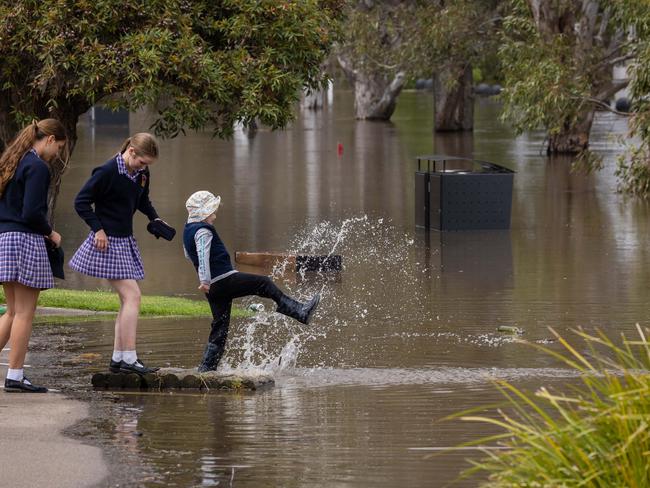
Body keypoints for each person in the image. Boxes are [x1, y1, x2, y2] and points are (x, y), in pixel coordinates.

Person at [183, 191, 320, 372]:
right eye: (211, 212)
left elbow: (188, 255)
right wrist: (205, 280)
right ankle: (297, 310)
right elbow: (202, 254)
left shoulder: (187, 231)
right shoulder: (202, 231)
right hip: (222, 280)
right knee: (264, 282)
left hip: (213, 288)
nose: (214, 216)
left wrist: (207, 282)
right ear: (202, 213)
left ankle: (207, 369)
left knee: (220, 328)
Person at [70, 133, 170, 375]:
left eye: (147, 165)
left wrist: (154, 217)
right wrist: (98, 229)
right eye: (142, 162)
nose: (144, 168)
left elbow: (142, 200)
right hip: (107, 242)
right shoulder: (106, 171)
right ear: (132, 152)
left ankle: (118, 358)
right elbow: (81, 202)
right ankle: (129, 358)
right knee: (133, 296)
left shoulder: (142, 174)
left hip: (125, 240)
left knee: (127, 300)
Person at [0, 119, 66, 393]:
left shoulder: (12, 161)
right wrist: (50, 233)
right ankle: (15, 376)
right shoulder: (37, 166)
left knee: (13, 311)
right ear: (49, 139)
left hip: (4, 238)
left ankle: (15, 374)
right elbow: (31, 212)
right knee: (25, 313)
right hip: (25, 239)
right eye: (59, 148)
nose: (58, 155)